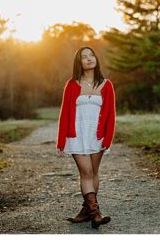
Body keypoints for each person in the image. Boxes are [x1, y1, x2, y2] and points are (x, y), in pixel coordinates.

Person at [57, 46, 116, 227]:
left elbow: (111, 115)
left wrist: (107, 139)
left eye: (91, 55)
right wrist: (61, 141)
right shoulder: (72, 85)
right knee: (86, 172)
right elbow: (65, 113)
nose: (89, 58)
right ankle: (96, 214)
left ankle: (87, 211)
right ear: (79, 62)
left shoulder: (106, 85)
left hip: (96, 136)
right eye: (84, 57)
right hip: (77, 135)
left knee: (94, 172)